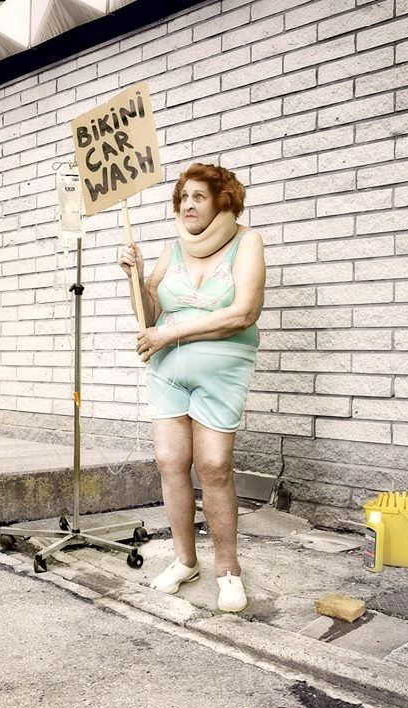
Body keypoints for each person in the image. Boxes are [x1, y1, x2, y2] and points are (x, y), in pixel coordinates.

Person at [118, 163, 265, 613]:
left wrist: (171, 333)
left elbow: (244, 313)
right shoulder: (172, 250)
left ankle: (228, 570)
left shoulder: (247, 243)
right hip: (167, 371)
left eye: (199, 196)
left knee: (215, 466)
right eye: (183, 197)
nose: (188, 205)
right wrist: (136, 277)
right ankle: (185, 561)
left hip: (221, 372)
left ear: (223, 201)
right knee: (170, 463)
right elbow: (150, 317)